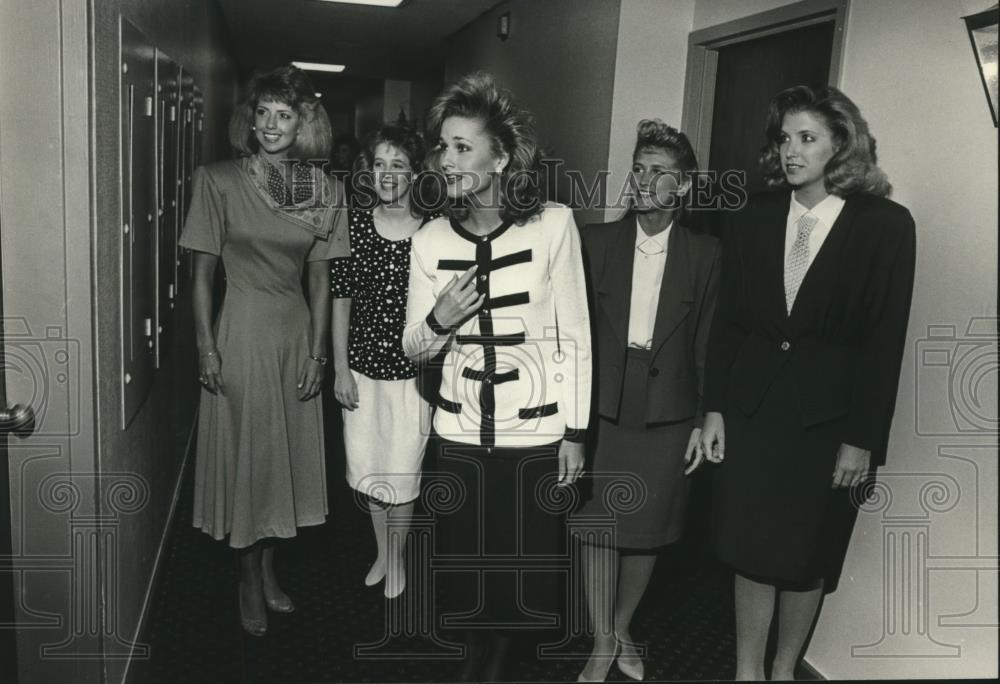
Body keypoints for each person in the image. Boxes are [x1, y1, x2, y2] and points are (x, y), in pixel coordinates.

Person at [699, 85, 916, 680]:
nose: (790, 151)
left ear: (841, 143)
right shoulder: (753, 216)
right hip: (753, 412)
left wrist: (862, 437)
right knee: (749, 549)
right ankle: (747, 672)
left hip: (827, 423)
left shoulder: (886, 226)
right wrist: (713, 408)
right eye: (785, 138)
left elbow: (884, 341)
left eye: (807, 138)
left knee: (806, 555)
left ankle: (782, 668)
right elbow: (730, 324)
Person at [401, 71, 591, 682]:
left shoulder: (554, 225)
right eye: (443, 146)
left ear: (501, 156)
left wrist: (576, 430)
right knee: (464, 571)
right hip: (459, 436)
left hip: (535, 437)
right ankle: (477, 659)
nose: (447, 159)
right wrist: (440, 318)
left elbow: (575, 336)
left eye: (463, 146)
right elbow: (414, 349)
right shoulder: (428, 239)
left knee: (524, 573)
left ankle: (497, 665)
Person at [179, 64, 349, 637]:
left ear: (304, 123)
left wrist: (319, 354)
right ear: (249, 119)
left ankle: (270, 567)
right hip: (242, 331)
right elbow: (202, 276)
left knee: (283, 463)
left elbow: (321, 281)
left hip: (295, 335)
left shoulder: (327, 189)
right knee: (247, 460)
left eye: (285, 114)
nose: (272, 124)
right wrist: (206, 348)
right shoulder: (216, 179)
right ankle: (246, 576)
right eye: (263, 113)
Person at [572, 120, 720, 682]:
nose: (642, 180)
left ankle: (622, 627)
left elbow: (708, 342)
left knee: (646, 530)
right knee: (599, 523)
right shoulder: (594, 242)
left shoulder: (706, 255)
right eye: (638, 167)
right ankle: (602, 639)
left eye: (659, 172)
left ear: (681, 187)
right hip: (603, 401)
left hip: (669, 409)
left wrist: (705, 417)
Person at [330, 124, 433, 600]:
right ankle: (382, 553)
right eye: (379, 163)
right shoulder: (353, 223)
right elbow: (341, 301)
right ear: (367, 171)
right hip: (362, 371)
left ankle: (398, 558)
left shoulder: (434, 232)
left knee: (403, 471)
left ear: (414, 174)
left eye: (398, 164)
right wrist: (339, 370)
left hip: (413, 374)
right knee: (369, 470)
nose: (387, 173)